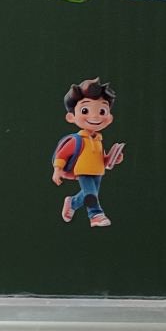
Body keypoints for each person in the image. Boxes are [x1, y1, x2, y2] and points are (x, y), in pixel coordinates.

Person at [52, 78, 119, 227]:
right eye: (85, 111)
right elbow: (62, 155)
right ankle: (95, 215)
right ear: (71, 117)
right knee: (90, 194)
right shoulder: (78, 140)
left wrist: (113, 158)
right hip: (83, 171)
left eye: (102, 111)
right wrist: (57, 170)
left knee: (89, 193)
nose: (95, 117)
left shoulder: (98, 139)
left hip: (98, 171)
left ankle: (72, 203)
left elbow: (102, 158)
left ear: (109, 118)